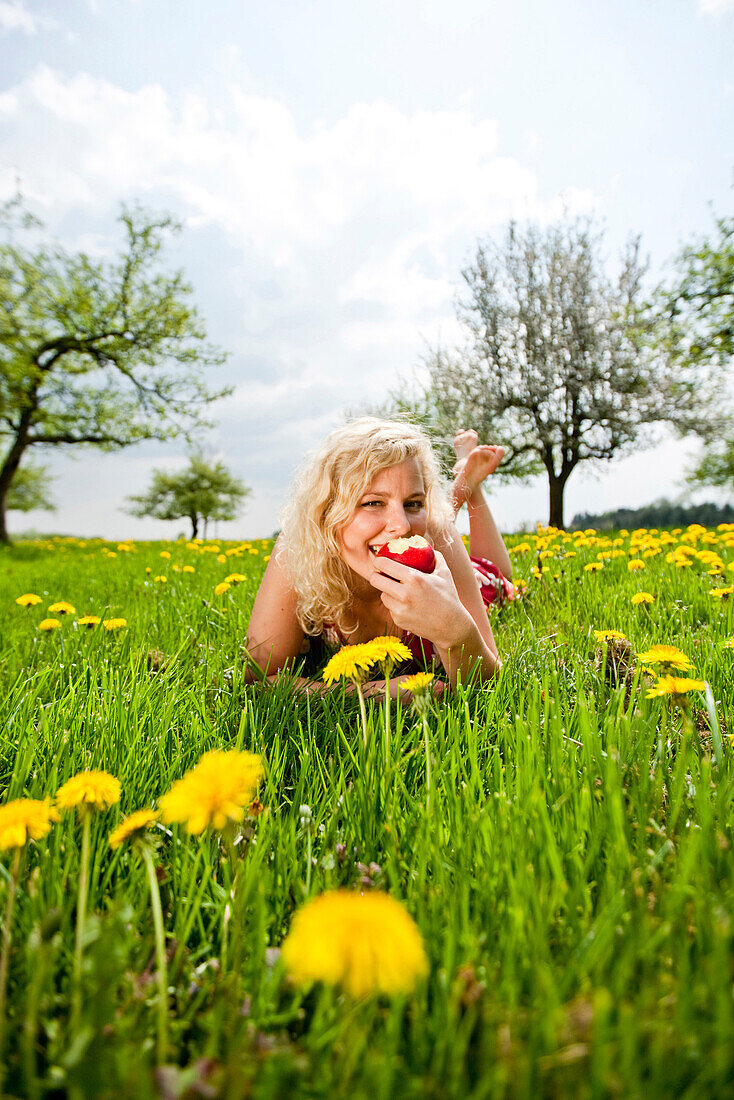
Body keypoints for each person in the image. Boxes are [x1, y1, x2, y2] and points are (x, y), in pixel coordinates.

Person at [245, 418, 513, 697]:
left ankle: (470, 486)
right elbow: (258, 681)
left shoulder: (435, 534)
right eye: (372, 503)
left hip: (460, 572)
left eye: (413, 503)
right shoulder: (299, 548)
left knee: (496, 577)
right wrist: (378, 693)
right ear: (327, 512)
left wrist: (455, 633)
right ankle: (462, 483)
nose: (403, 526)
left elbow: (489, 681)